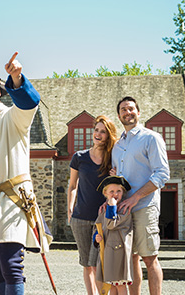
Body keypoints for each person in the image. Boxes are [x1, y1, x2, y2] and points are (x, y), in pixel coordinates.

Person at [0, 53, 52, 295]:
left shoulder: (13, 117)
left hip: (13, 201)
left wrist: (16, 78)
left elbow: (29, 103)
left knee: (12, 266)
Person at [112, 96, 170, 295]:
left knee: (149, 258)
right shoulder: (117, 145)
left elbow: (162, 174)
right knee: (131, 258)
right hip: (123, 211)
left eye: (131, 109)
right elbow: (120, 177)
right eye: (123, 110)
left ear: (138, 112)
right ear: (119, 116)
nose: (127, 112)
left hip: (144, 205)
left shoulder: (151, 138)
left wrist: (136, 197)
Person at [68, 115, 119, 295]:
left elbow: (116, 190)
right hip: (80, 218)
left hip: (101, 220)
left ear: (108, 135)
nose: (98, 134)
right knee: (86, 264)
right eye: (96, 130)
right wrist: (70, 209)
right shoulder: (79, 157)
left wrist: (115, 175)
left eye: (103, 131)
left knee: (99, 263)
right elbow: (73, 185)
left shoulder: (113, 160)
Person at [94, 175, 134, 295]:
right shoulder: (104, 210)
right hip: (108, 251)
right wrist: (96, 237)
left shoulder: (124, 210)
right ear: (105, 193)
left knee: (120, 285)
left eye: (118, 191)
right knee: (112, 285)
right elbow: (98, 226)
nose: (115, 194)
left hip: (119, 251)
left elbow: (111, 224)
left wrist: (112, 206)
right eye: (112, 191)